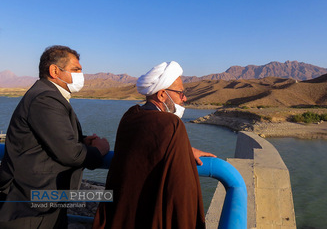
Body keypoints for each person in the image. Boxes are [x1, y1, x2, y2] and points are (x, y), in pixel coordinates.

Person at [93, 61, 216, 229]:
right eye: (180, 93)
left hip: (121, 216)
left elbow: (147, 150)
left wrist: (183, 149)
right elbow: (182, 189)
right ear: (162, 95)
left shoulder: (130, 116)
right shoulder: (171, 123)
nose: (184, 98)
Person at [0, 45, 110, 228]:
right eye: (76, 70)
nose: (81, 76)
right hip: (31, 206)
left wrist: (82, 140)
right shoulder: (45, 98)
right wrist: (99, 150)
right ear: (54, 71)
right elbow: (70, 154)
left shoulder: (47, 95)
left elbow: (48, 138)